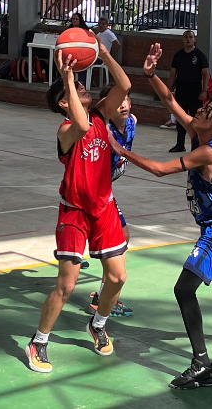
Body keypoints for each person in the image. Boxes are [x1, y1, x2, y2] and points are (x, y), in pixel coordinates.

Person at [109, 43, 212, 389]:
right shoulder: (201, 136)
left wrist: (120, 150)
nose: (198, 109)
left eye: (206, 109)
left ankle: (202, 364)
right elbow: (169, 101)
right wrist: (150, 74)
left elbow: (161, 169)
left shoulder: (207, 151)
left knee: (183, 289)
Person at [26, 33, 131, 373]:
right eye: (77, 90)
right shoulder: (66, 128)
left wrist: (103, 52)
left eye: (84, 87)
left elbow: (125, 84)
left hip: (104, 207)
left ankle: (98, 324)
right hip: (74, 211)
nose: (85, 89)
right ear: (63, 102)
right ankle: (38, 341)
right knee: (67, 285)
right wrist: (67, 78)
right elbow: (82, 124)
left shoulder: (101, 114)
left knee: (117, 278)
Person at [85, 82, 136, 318]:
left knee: (121, 239)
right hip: (94, 193)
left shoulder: (132, 123)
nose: (123, 104)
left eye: (125, 99)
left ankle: (104, 295)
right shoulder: (102, 130)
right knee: (116, 243)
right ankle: (104, 299)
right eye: (117, 101)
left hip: (106, 190)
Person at [163, 31, 210, 153]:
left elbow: (205, 74)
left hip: (195, 91)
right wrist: (168, 90)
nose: (188, 39)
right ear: (182, 40)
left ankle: (198, 144)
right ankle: (180, 144)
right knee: (180, 118)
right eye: (186, 37)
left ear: (194, 40)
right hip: (181, 90)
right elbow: (173, 73)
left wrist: (204, 90)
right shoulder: (178, 55)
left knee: (196, 118)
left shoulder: (200, 55)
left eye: (190, 37)